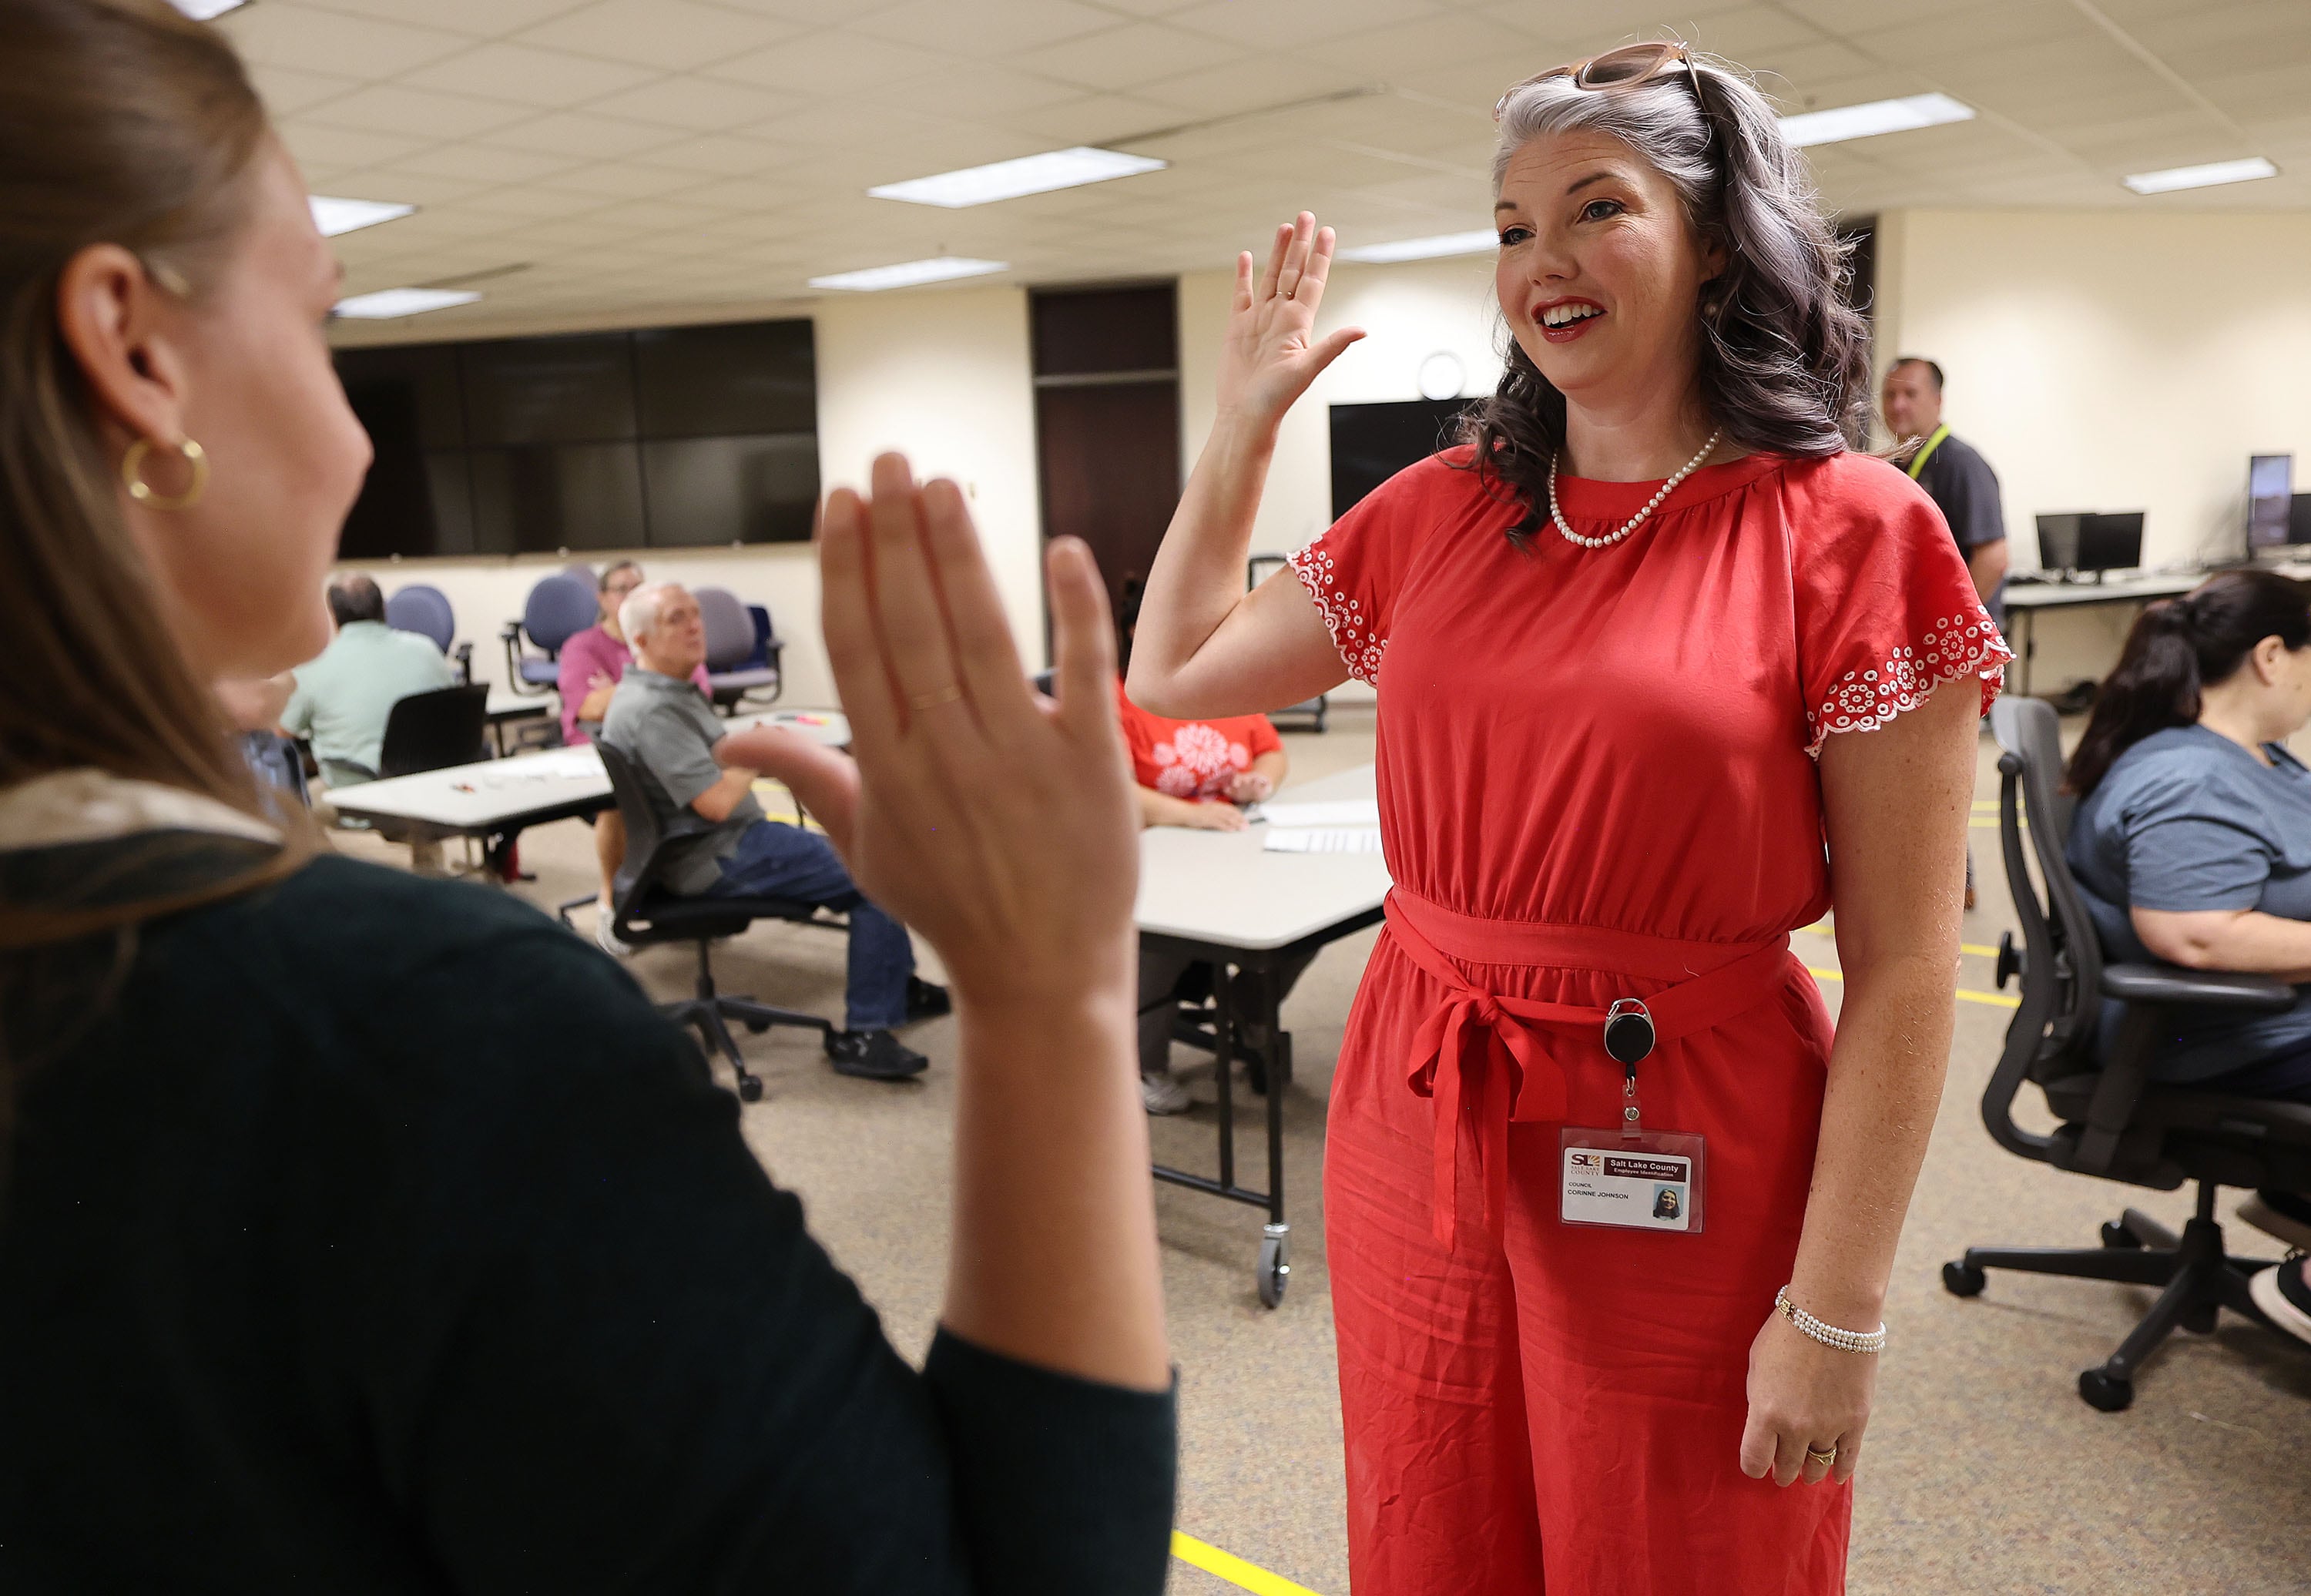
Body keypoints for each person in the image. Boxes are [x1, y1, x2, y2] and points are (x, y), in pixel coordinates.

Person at [0, 4, 1173, 1590]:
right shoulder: (415, 1041)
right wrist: (1051, 989)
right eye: (325, 324)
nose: (354, 441)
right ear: (135, 352)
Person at [1129, 42, 2005, 1594]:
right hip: (1422, 1093)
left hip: (1689, 1121)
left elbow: (1906, 966)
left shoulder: (1850, 527)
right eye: (1513, 226)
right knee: (1435, 1518)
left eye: (1599, 210)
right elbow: (1176, 665)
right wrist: (1243, 428)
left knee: (1675, 1542)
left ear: (1719, 239)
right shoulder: (1444, 507)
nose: (1543, 263)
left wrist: (1838, 1309)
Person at [2061, 570, 2311, 1276]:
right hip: (2227, 1036)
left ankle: (2297, 1198)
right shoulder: (2192, 780)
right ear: (2271, 657)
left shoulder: (2252, 758)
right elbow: (2196, 932)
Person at [602, 581, 948, 1081]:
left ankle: (896, 986)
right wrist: (763, 749)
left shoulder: (669, 692)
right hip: (718, 856)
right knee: (876, 873)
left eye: (695, 614)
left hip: (729, 843)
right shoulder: (654, 710)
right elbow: (718, 803)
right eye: (676, 618)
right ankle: (866, 1032)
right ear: (640, 640)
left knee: (876, 851)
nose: (695, 626)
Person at [1114, 585, 1299, 1112]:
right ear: (1138, 634)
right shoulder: (1120, 697)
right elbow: (1115, 790)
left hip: (1231, 840)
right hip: (1158, 852)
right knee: (1165, 941)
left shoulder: (1227, 688)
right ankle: (1141, 1062)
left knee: (1300, 922)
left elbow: (1271, 753)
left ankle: (1250, 1004)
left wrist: (1258, 784)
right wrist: (1195, 814)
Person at [556, 559, 713, 936]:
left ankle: (689, 892)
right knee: (621, 800)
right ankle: (613, 903)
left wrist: (619, 690)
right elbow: (588, 708)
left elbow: (699, 692)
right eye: (622, 588)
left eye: (640, 587)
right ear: (603, 598)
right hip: (604, 751)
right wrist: (658, 680)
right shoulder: (583, 646)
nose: (632, 595)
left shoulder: (668, 639)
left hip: (669, 742)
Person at [278, 572, 456, 789]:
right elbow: (456, 714)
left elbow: (280, 733)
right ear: (384, 608)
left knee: (295, 807)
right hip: (431, 793)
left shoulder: (313, 667)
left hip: (357, 801)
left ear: (332, 615)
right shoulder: (428, 651)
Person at [1880, 357, 2009, 629]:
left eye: (1910, 394)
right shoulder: (1893, 466)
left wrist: (1950, 623)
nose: (1897, 405)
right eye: (1890, 395)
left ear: (1938, 400)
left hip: (1958, 639)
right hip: (1915, 631)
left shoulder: (1962, 465)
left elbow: (1993, 558)